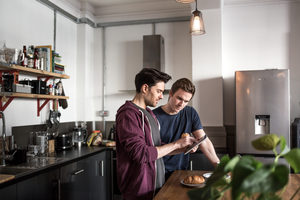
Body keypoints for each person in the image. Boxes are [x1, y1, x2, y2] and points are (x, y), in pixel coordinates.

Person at [115, 68, 195, 200]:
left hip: (156, 185)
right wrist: (176, 144)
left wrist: (182, 149)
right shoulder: (128, 114)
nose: (161, 96)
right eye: (159, 91)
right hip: (138, 189)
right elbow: (141, 154)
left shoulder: (149, 113)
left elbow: (156, 147)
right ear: (145, 88)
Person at [153, 78, 220, 180]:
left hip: (181, 172)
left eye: (186, 101)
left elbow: (204, 141)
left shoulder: (190, 113)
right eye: (179, 98)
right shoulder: (153, 116)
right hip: (158, 173)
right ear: (171, 93)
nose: (182, 104)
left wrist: (218, 166)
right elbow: (152, 150)